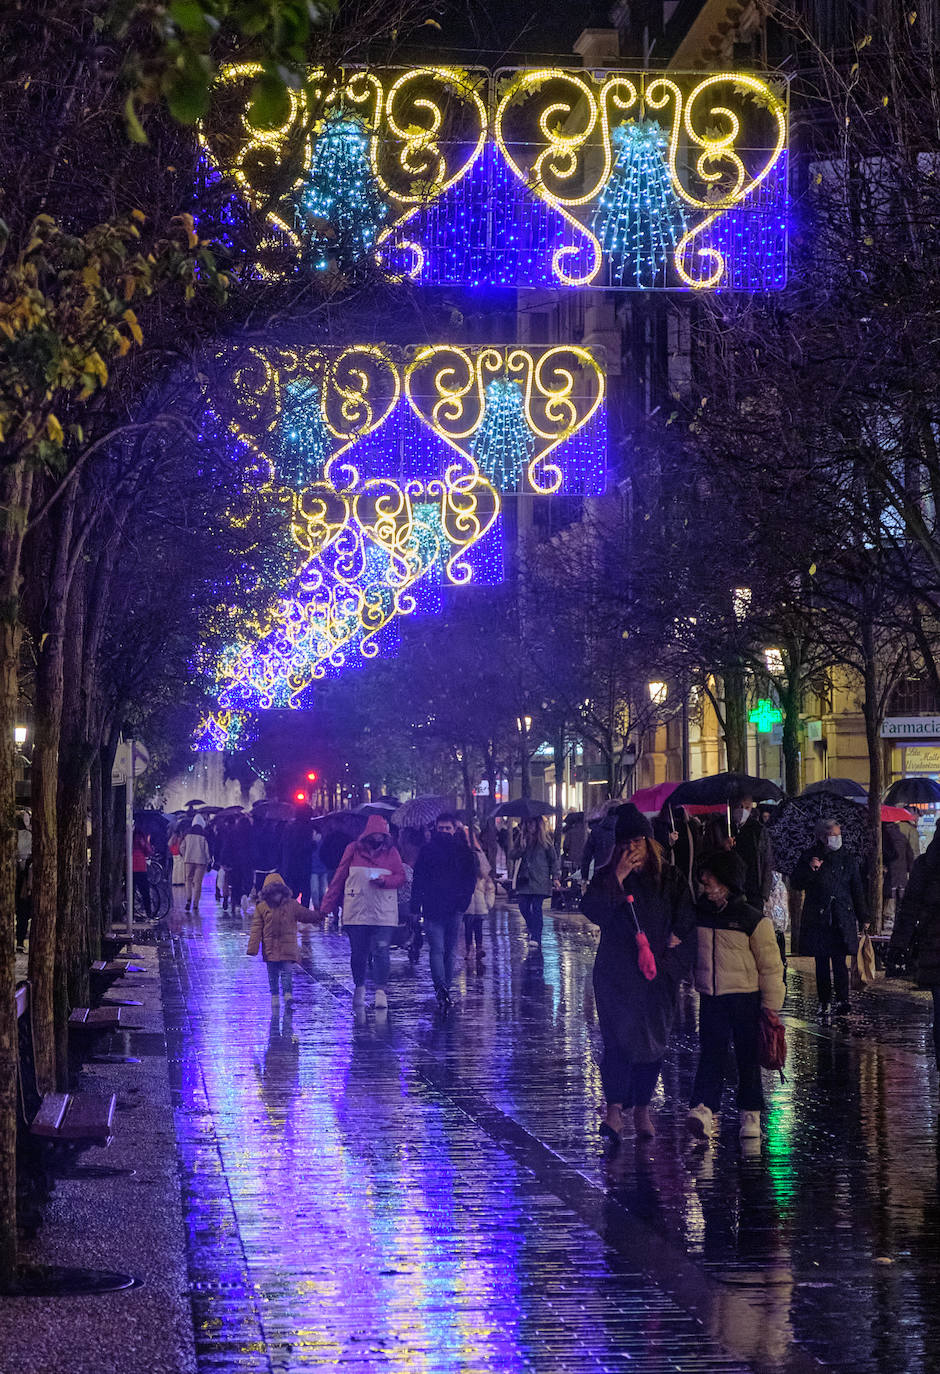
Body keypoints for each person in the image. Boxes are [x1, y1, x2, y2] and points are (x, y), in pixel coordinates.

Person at [582, 803, 696, 1146]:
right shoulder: (608, 876)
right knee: (617, 1040)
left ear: (649, 842)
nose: (631, 848)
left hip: (656, 972)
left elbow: (687, 917)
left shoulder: (670, 878)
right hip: (617, 974)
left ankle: (642, 1107)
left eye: (637, 841)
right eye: (625, 842)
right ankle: (614, 1109)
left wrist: (673, 955)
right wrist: (616, 878)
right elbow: (594, 911)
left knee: (652, 1041)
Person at [686, 849, 785, 1144]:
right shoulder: (698, 914)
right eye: (703, 882)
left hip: (745, 998)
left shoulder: (751, 919)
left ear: (727, 882)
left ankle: (751, 1114)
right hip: (712, 997)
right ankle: (703, 1109)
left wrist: (770, 1008)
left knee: (747, 1058)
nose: (705, 887)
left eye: (709, 881)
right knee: (711, 1053)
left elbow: (770, 966)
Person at [320, 815, 406, 1012]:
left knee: (382, 951)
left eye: (383, 834)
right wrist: (326, 907)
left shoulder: (392, 853)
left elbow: (400, 877)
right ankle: (359, 987)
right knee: (358, 952)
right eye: (376, 833)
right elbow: (339, 877)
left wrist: (385, 881)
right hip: (357, 911)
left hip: (383, 912)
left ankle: (381, 991)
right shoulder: (352, 850)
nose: (379, 838)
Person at [791, 818, 868, 1018]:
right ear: (822, 837)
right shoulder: (810, 856)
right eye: (833, 835)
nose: (836, 838)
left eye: (838, 834)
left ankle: (843, 999)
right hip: (819, 917)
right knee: (822, 962)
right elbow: (797, 883)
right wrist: (811, 868)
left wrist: (864, 916)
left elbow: (856, 888)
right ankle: (824, 1001)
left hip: (842, 914)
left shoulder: (847, 858)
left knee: (840, 960)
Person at [411, 813, 477, 1010]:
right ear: (436, 829)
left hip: (452, 908)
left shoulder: (462, 852)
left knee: (447, 951)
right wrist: (416, 905)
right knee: (440, 950)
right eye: (441, 829)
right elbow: (419, 880)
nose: (444, 832)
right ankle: (442, 987)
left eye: (447, 828)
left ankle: (444, 987)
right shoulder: (431, 851)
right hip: (435, 908)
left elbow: (470, 879)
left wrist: (463, 901)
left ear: (454, 829)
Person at [888, 830, 940, 1076]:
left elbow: (909, 908)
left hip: (933, 948)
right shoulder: (925, 865)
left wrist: (898, 945)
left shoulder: (925, 864)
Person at [245, 871, 320, 1012]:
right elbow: (257, 928)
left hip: (287, 948)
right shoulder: (262, 907)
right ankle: (275, 996)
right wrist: (253, 948)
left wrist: (318, 916)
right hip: (271, 949)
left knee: (286, 973)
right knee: (273, 975)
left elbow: (305, 914)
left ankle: (287, 995)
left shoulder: (291, 905)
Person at [509, 816, 560, 946]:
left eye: (533, 823)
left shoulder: (545, 842)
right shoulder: (521, 839)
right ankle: (533, 929)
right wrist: (521, 847)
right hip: (524, 880)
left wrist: (555, 877)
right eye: (528, 823)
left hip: (540, 879)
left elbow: (553, 860)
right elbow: (512, 855)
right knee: (523, 907)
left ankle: (536, 937)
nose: (530, 826)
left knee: (536, 907)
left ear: (538, 825)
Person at [730, 795, 773, 911]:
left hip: (753, 887)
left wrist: (765, 892)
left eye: (747, 807)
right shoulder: (724, 827)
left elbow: (767, 860)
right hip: (730, 888)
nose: (742, 810)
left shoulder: (758, 829)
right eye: (739, 806)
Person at [653, 803, 701, 892]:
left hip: (689, 877)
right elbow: (657, 853)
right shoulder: (658, 824)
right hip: (670, 879)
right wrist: (667, 841)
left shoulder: (691, 824)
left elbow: (697, 851)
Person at [464, 828, 495, 964]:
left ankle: (477, 948)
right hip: (469, 907)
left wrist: (488, 903)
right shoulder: (468, 877)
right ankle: (470, 949)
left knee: (476, 928)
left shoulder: (482, 878)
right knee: (471, 928)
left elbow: (490, 889)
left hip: (479, 907)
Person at [281, 803, 314, 906]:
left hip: (291, 865)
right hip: (304, 865)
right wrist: (314, 844)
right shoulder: (308, 828)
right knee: (305, 890)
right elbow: (304, 847)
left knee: (291, 891)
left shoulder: (289, 827)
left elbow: (284, 845)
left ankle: (289, 913)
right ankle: (304, 913)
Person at [180, 815, 211, 913]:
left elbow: (182, 847)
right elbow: (207, 851)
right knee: (198, 882)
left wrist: (185, 855)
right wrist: (208, 860)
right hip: (201, 861)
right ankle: (196, 904)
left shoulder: (187, 834)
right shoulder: (204, 835)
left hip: (188, 860)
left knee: (188, 880)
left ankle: (188, 899)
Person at [132, 826, 153, 920]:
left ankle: (130, 913)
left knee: (130, 892)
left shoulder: (126, 835)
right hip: (140, 867)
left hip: (129, 865)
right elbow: (148, 851)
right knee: (145, 891)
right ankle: (149, 912)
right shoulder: (140, 836)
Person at [310, 826, 329, 908]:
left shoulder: (324, 843)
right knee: (315, 890)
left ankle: (321, 908)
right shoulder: (310, 844)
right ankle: (317, 908)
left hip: (323, 869)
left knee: (322, 891)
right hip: (314, 869)